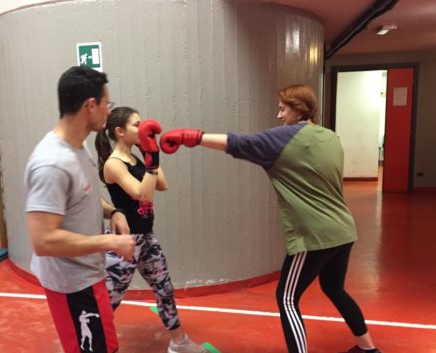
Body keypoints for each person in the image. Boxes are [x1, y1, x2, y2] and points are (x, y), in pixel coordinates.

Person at [159, 84, 382, 353]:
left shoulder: (283, 139)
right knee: (334, 289)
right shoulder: (330, 137)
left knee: (287, 298)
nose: (279, 115)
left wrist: (190, 137)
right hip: (344, 229)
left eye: (282, 109)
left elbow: (237, 143)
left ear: (298, 109)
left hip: (314, 234)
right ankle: (368, 348)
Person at [25, 66, 135, 353]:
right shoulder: (52, 163)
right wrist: (110, 241)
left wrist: (114, 212)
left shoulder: (77, 148)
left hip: (88, 276)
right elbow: (44, 240)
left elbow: (81, 199)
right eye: (106, 104)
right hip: (70, 286)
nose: (108, 111)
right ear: (90, 105)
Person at [94, 107, 208, 353]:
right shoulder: (114, 164)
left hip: (146, 238)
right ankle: (91, 346)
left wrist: (150, 151)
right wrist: (151, 163)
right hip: (124, 242)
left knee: (164, 289)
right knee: (109, 300)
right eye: (137, 125)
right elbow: (142, 194)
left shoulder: (137, 158)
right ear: (120, 131)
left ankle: (179, 343)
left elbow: (163, 184)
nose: (143, 128)